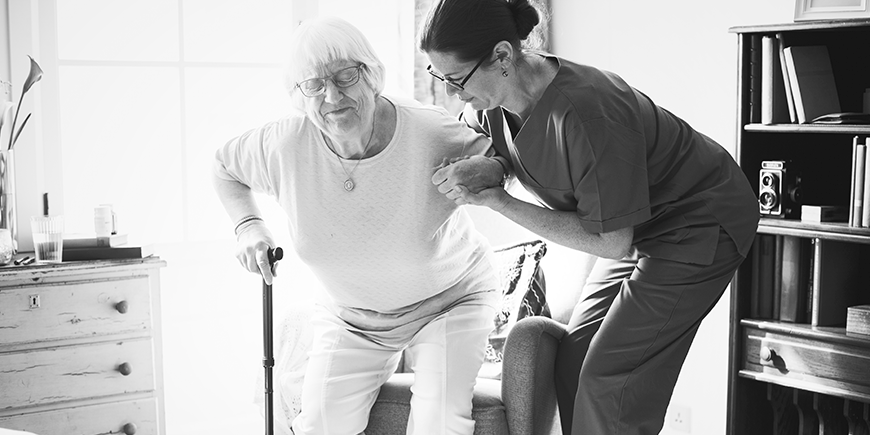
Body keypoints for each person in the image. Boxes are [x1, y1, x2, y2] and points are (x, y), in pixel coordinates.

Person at [419, 1, 760, 434]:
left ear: (502, 56)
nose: (452, 93)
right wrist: (494, 169)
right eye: (439, 77)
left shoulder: (587, 113)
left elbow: (611, 242)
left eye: (455, 79)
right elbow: (500, 148)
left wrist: (499, 202)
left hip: (699, 221)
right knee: (574, 359)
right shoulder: (492, 100)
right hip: (637, 225)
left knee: (610, 381)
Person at [212, 16, 501, 435]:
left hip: (451, 300)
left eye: (346, 75)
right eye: (314, 84)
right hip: (352, 316)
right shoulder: (286, 144)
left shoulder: (430, 130)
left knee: (439, 420)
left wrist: (490, 171)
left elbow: (505, 161)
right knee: (321, 426)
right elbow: (224, 167)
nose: (332, 95)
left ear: (372, 75)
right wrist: (249, 225)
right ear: (299, 95)